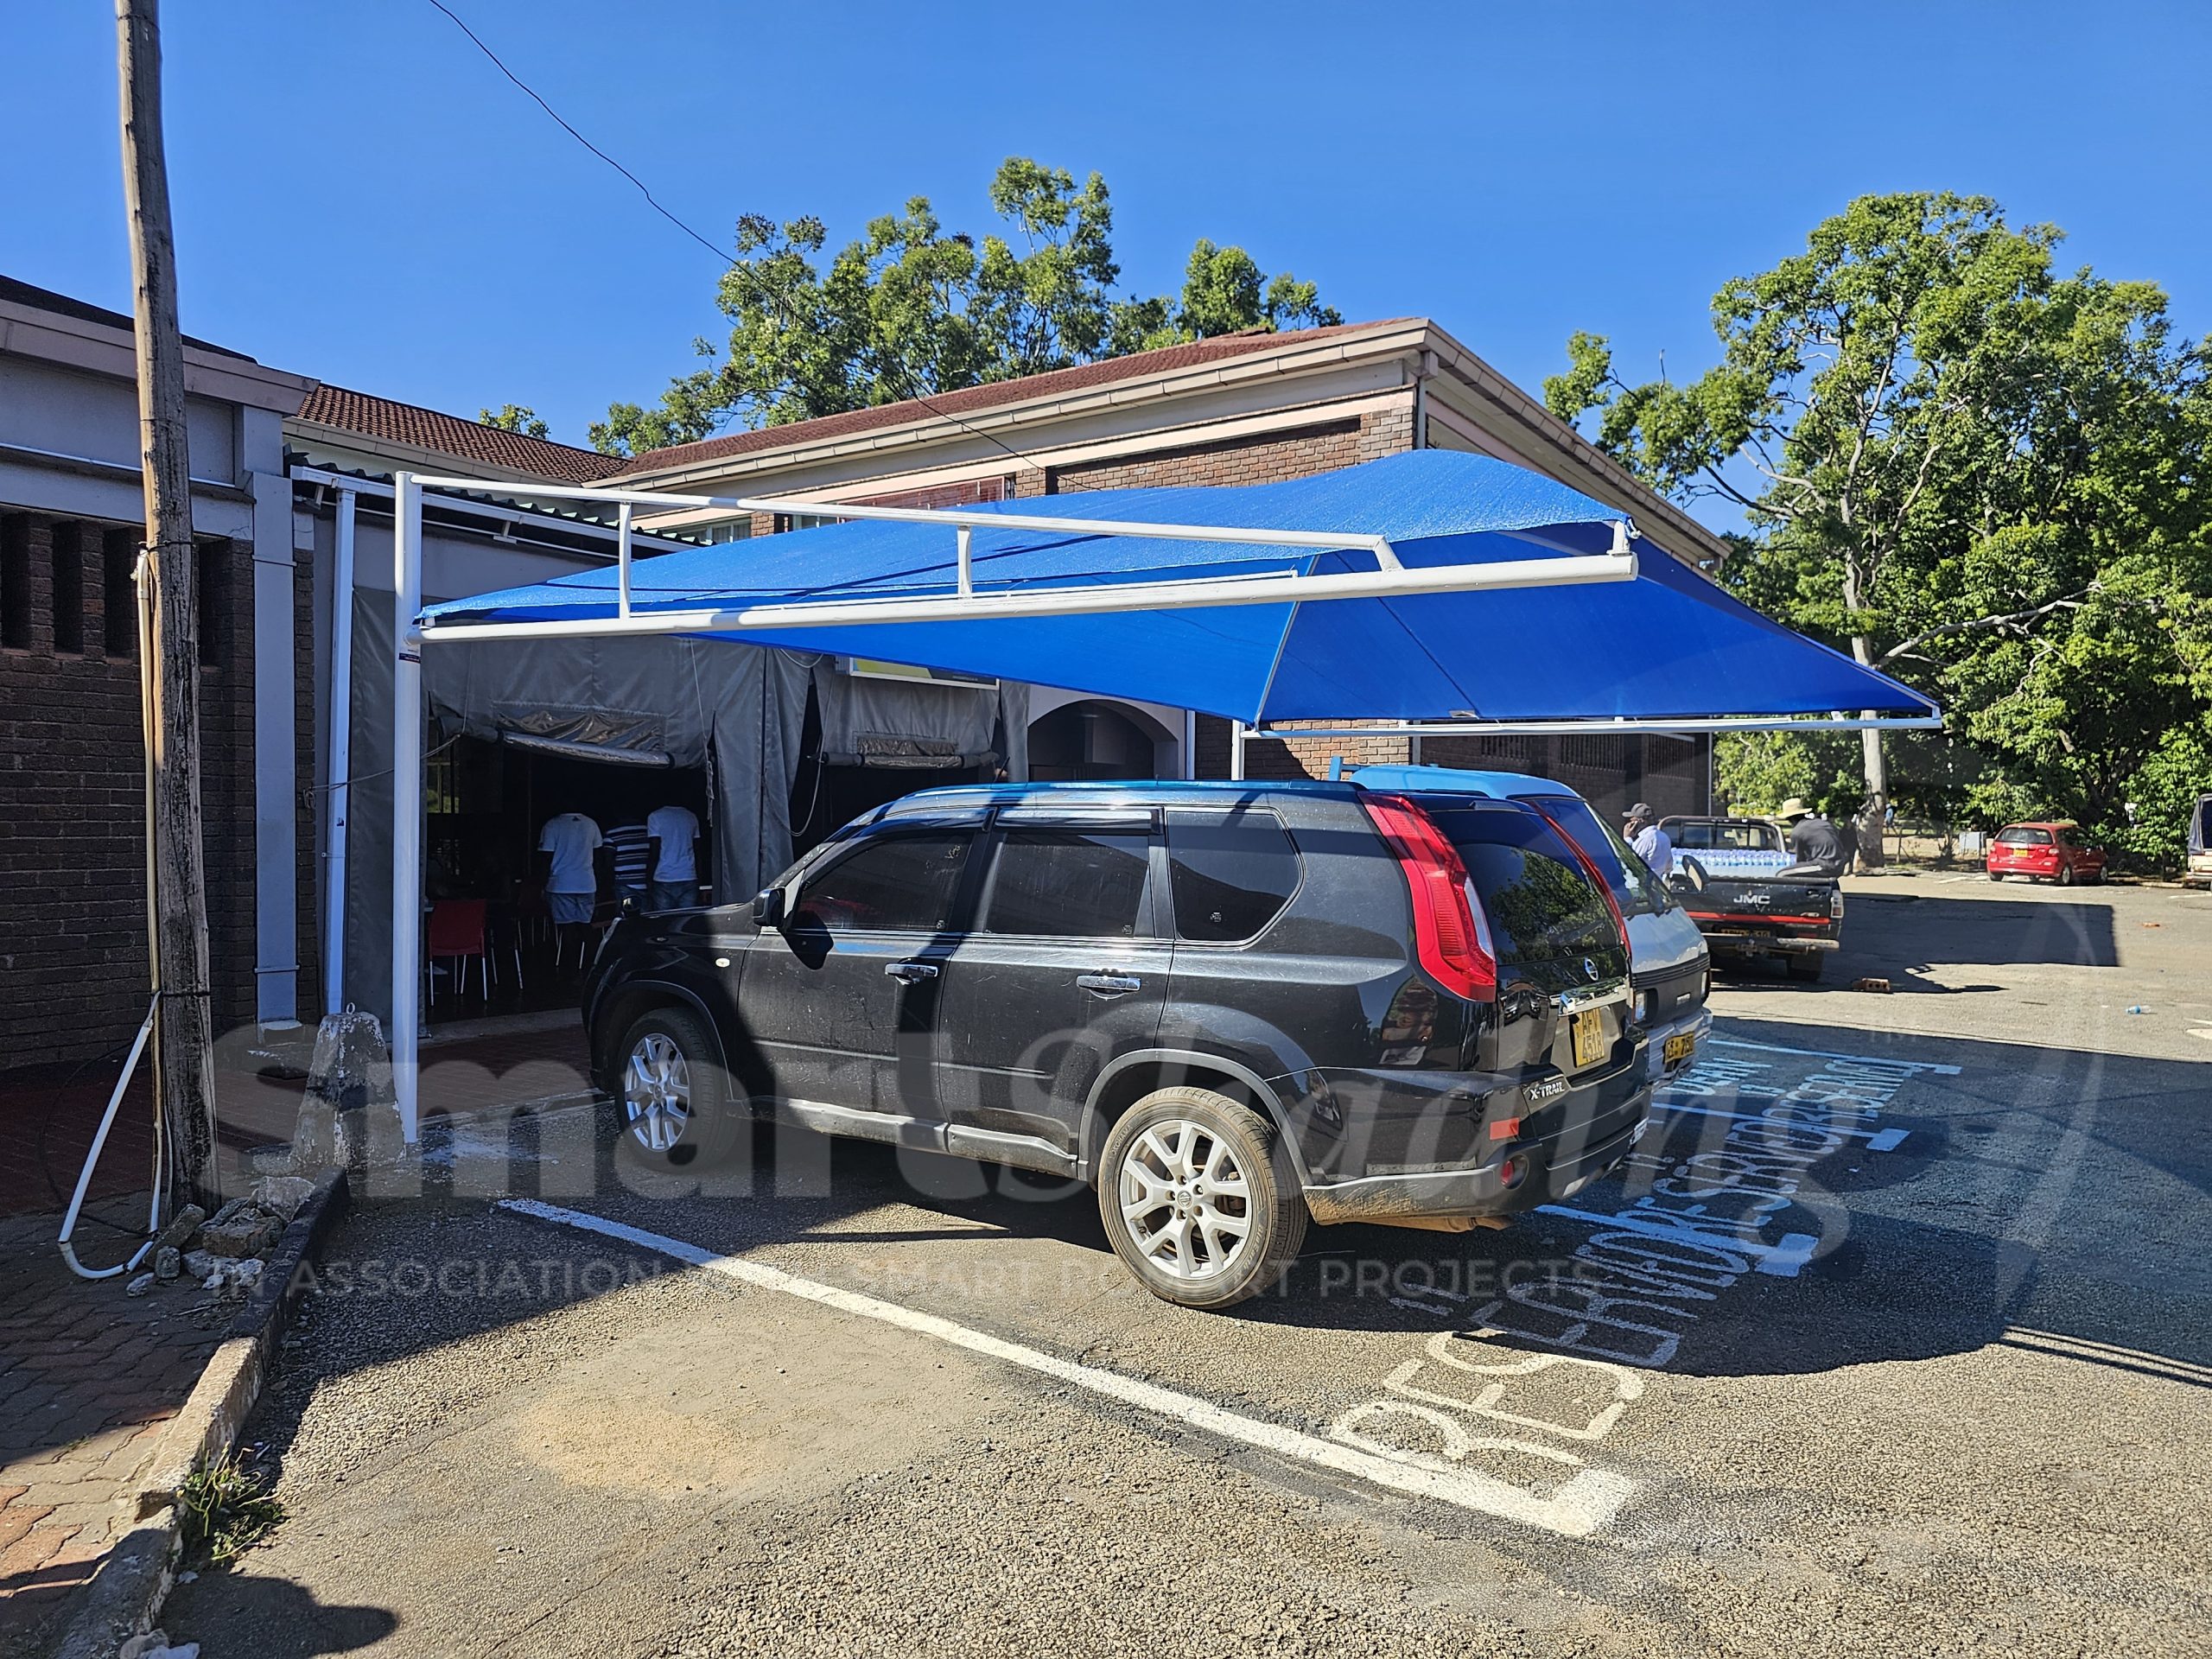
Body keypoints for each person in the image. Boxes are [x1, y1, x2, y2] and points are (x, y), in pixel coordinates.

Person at [537, 810, 604, 965]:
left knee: (567, 928)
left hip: (561, 884)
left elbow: (546, 858)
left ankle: (571, 966)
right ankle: (591, 962)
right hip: (586, 883)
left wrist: (542, 885)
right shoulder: (591, 824)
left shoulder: (552, 825)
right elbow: (598, 856)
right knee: (586, 925)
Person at [645, 800, 702, 912]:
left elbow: (654, 851)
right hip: (688, 875)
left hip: (664, 876)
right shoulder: (691, 817)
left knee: (664, 922)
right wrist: (699, 876)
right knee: (687, 920)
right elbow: (697, 850)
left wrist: (648, 877)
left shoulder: (655, 817)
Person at [1776, 798, 1847, 875]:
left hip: (1824, 865)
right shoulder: (1823, 823)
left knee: (1782, 873)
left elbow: (1801, 859)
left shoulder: (1797, 832)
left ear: (1790, 819)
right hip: (1840, 864)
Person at [604, 817, 651, 906]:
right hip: (646, 882)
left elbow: (608, 861)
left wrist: (610, 883)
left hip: (624, 882)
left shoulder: (612, 833)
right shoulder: (649, 831)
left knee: (627, 916)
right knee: (647, 917)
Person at [1624, 802, 1674, 877]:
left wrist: (1627, 838)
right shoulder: (1664, 836)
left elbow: (1630, 862)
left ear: (1640, 821)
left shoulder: (1646, 839)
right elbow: (1668, 866)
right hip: (1657, 881)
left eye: (1632, 820)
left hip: (1643, 882)